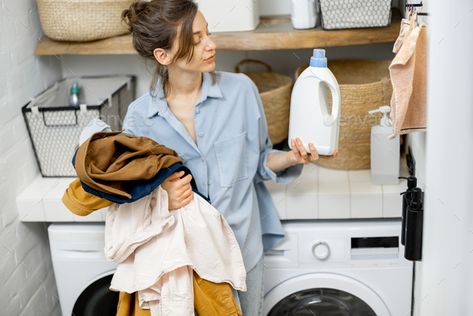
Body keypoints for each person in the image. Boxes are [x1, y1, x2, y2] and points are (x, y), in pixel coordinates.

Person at [121, 0, 336, 314]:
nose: (211, 45)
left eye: (208, 33)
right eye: (196, 40)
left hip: (242, 250)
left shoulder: (241, 91)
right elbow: (127, 193)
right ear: (163, 55)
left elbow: (259, 162)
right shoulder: (140, 118)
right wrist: (163, 193)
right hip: (183, 263)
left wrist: (292, 158)